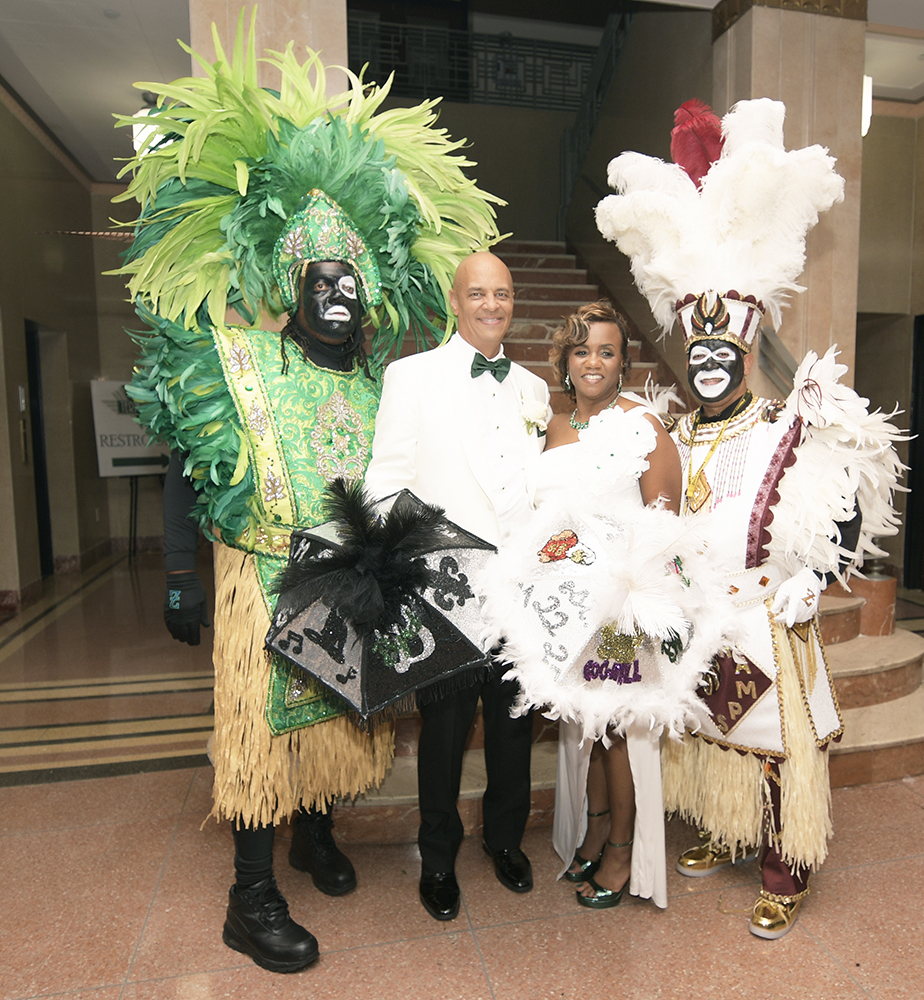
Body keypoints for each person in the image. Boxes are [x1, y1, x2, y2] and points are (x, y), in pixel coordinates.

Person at [118, 20, 501, 972]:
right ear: (297, 283)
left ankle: (315, 833)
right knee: (259, 733)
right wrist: (178, 572)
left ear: (367, 294)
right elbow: (185, 460)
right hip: (256, 576)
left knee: (333, 717)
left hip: (344, 576)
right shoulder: (237, 360)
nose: (338, 297)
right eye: (321, 282)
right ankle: (250, 899)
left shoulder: (382, 382)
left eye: (351, 284)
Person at [596, 97, 904, 937]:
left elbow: (858, 482)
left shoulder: (787, 420)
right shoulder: (666, 430)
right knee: (704, 736)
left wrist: (814, 573)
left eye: (720, 353)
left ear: (741, 355)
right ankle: (730, 838)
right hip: (698, 617)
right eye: (694, 353)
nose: (704, 364)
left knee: (775, 753)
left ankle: (786, 866)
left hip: (769, 616)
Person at [478, 301, 733, 909]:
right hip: (563, 607)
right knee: (584, 722)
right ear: (565, 359)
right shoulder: (557, 426)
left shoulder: (645, 425)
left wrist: (637, 607)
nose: (593, 362)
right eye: (582, 350)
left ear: (624, 361)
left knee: (616, 728)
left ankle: (621, 850)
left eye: (607, 351)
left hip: (621, 609)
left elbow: (666, 532)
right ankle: (593, 830)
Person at [364, 251, 550, 921]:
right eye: (478, 293)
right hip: (446, 595)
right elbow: (382, 482)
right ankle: (438, 858)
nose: (491, 305)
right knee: (443, 731)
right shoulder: (410, 377)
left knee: (512, 723)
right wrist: (417, 560)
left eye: (502, 293)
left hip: (519, 593)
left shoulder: (534, 389)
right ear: (455, 298)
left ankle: (504, 840)